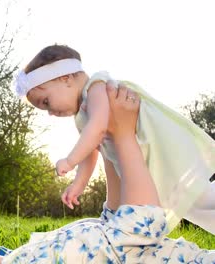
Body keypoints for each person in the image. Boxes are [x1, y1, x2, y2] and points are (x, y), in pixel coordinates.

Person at [0, 84, 214, 263]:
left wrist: (108, 145)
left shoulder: (20, 257)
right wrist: (124, 135)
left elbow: (113, 228)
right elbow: (140, 228)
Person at [14, 44, 215, 234]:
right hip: (147, 163)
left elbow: (98, 127)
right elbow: (90, 152)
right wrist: (79, 183)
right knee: (192, 205)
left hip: (161, 149)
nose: (50, 113)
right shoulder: (82, 116)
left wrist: (69, 160)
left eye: (47, 102)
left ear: (65, 78)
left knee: (200, 197)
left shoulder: (96, 87)